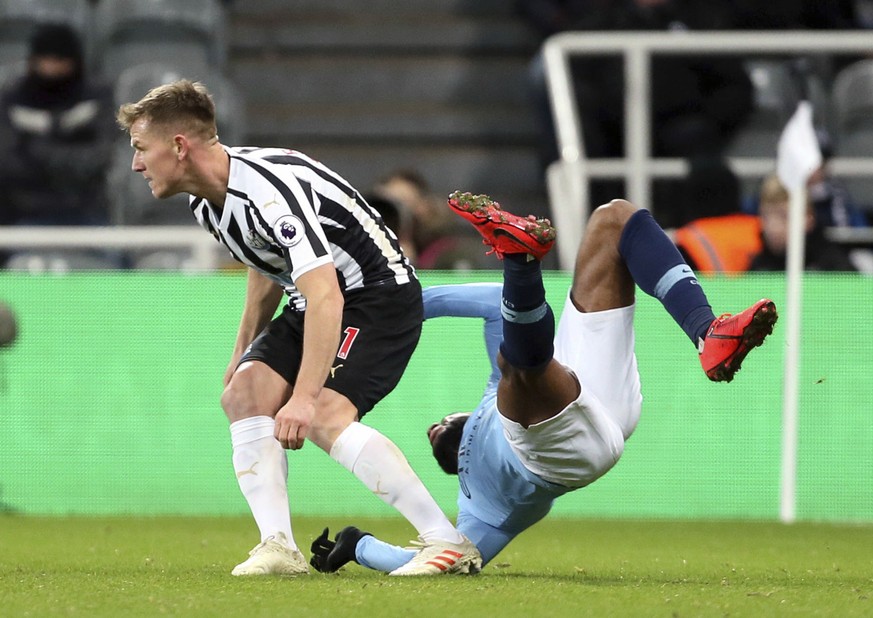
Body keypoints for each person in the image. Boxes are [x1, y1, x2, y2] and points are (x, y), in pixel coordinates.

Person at [115, 80, 481, 577]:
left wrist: (305, 396)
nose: (136, 164)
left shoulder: (268, 191)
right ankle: (279, 548)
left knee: (326, 415)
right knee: (243, 395)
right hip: (316, 299)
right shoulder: (207, 201)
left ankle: (446, 541)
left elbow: (328, 292)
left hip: (376, 295)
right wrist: (242, 352)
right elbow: (266, 265)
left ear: (179, 147)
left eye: (141, 148)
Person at [309, 191, 778, 575]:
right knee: (518, 368)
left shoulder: (490, 397)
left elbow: (496, 303)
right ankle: (521, 260)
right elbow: (448, 559)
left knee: (613, 220)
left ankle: (706, 330)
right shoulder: (479, 510)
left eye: (438, 429)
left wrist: (404, 304)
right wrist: (359, 546)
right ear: (453, 460)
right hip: (562, 452)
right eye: (439, 438)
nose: (436, 433)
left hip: (591, 392)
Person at [0, 23, 114, 227]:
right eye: (45, 60)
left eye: (59, 60)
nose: (51, 67)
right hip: (23, 211)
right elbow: (7, 162)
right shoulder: (12, 98)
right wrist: (65, 145)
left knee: (113, 257)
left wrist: (36, 149)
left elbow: (99, 159)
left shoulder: (97, 96)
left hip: (87, 208)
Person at [749, 173, 857, 272]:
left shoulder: (834, 267)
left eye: (784, 216)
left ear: (808, 219)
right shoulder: (758, 268)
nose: (773, 227)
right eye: (766, 216)